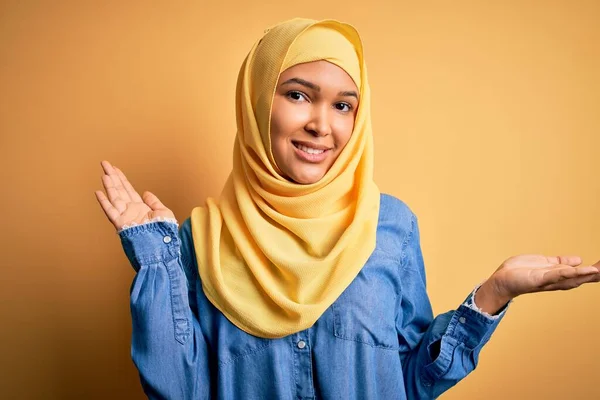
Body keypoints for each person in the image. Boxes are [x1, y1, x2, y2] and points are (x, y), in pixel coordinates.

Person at [94, 18, 600, 400]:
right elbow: (180, 391)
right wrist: (157, 261)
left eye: (343, 105)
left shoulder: (390, 226)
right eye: (297, 95)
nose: (323, 124)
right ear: (255, 104)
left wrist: (495, 292)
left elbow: (410, 383)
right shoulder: (197, 242)